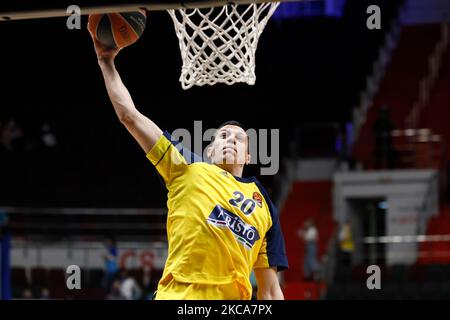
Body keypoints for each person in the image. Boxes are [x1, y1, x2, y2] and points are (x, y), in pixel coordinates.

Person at [88, 23, 288, 300]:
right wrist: (106, 61)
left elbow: (270, 290)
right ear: (208, 151)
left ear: (249, 156)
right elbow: (130, 117)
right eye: (223, 136)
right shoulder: (185, 167)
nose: (230, 139)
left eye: (239, 139)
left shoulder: (265, 206)